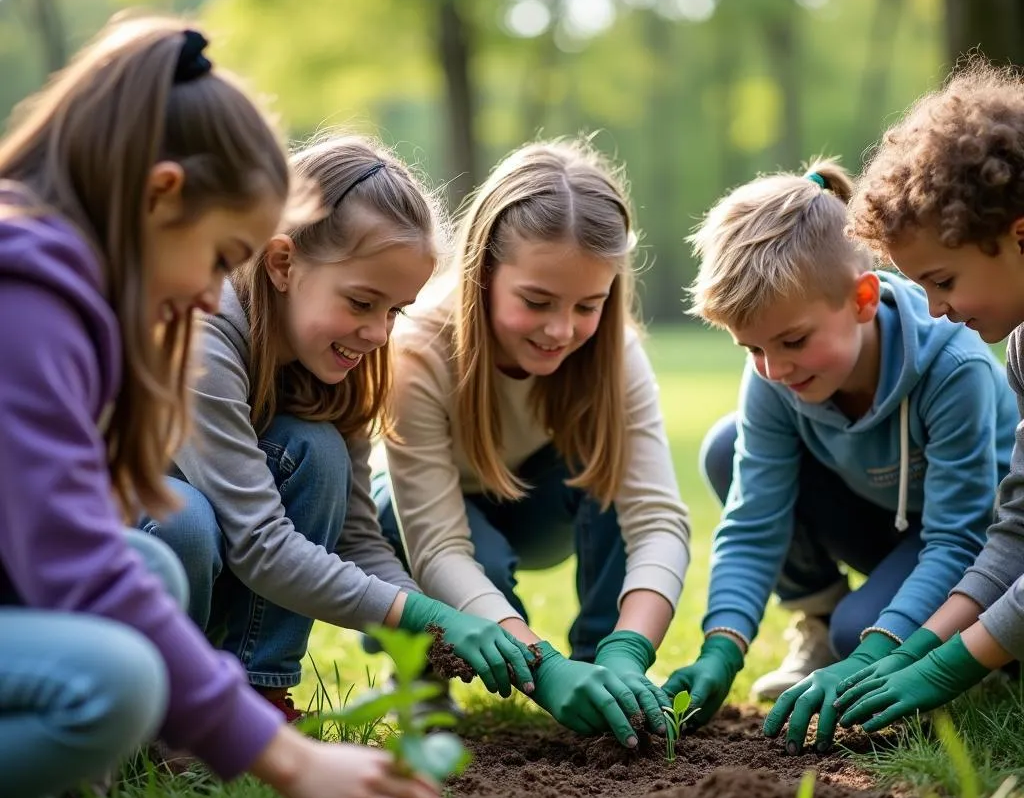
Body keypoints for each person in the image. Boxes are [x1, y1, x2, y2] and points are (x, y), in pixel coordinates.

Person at [0, 15, 445, 798]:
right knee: (119, 677)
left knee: (153, 572)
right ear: (159, 195)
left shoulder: (67, 292)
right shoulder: (25, 299)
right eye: (215, 258)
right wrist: (287, 761)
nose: (213, 297)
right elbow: (72, 566)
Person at [142, 135, 537, 721]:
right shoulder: (199, 334)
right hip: (103, 552)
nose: (379, 333)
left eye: (395, 310)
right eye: (361, 302)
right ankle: (163, 712)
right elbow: (260, 542)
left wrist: (441, 627)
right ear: (282, 264)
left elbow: (354, 538)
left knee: (315, 451)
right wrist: (430, 618)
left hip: (205, 567)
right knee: (187, 519)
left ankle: (256, 697)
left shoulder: (335, 359)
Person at [665, 157, 1016, 754]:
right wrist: (722, 645)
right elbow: (754, 523)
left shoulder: (952, 365)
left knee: (864, 635)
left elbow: (959, 537)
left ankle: (943, 646)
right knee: (728, 449)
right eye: (752, 349)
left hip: (974, 545)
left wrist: (887, 645)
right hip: (878, 520)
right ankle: (822, 625)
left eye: (793, 341)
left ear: (861, 298)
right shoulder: (776, 377)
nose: (774, 369)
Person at [376, 139, 692, 749]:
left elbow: (657, 521)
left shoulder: (614, 353)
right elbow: (440, 546)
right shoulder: (418, 348)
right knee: (464, 553)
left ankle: (605, 673)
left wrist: (629, 648)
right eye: (536, 301)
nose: (560, 330)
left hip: (542, 505)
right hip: (431, 522)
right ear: (485, 273)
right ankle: (421, 679)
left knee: (609, 471)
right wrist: (540, 668)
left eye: (587, 306)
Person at [834, 61, 1024, 732]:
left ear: (1017, 235)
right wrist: (919, 644)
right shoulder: (1020, 345)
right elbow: (1018, 530)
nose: (937, 312)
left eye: (943, 280)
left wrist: (953, 665)